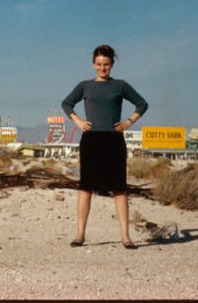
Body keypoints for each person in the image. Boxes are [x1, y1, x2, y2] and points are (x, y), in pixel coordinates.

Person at [61, 45, 148, 249]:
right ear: (93, 65)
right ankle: (79, 235)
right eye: (99, 64)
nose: (103, 68)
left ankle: (126, 237)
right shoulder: (84, 86)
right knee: (85, 188)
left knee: (119, 189)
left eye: (106, 64)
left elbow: (142, 104)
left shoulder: (120, 85)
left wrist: (128, 122)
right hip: (91, 140)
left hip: (114, 141)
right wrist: (78, 121)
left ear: (112, 65)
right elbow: (66, 104)